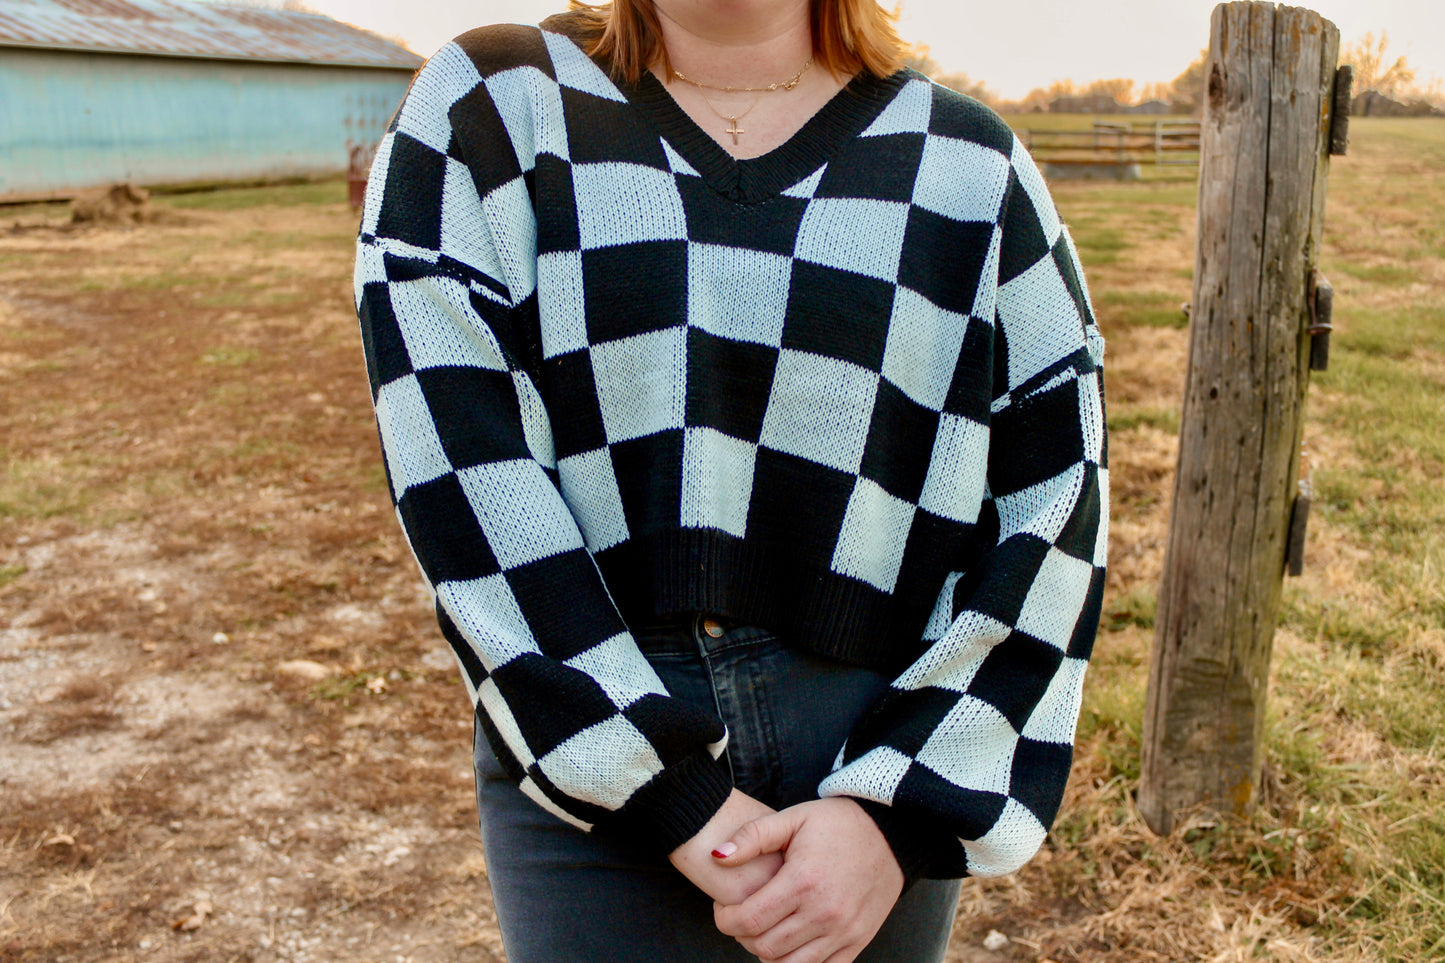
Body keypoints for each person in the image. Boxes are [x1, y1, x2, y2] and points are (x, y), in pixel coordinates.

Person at [354, 0, 1107, 959]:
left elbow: (1057, 498)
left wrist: (898, 809)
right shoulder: (495, 109)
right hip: (588, 742)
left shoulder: (969, 166)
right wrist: (664, 790)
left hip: (875, 740)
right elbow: (458, 460)